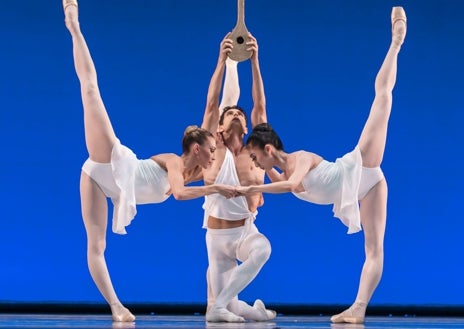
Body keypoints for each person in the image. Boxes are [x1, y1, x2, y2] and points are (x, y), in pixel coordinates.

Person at [63, 0, 237, 322]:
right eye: (211, 147)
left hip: (105, 188)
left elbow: (214, 106)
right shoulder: (174, 162)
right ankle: (73, 23)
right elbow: (181, 194)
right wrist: (217, 189)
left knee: (98, 246)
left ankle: (116, 307)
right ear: (195, 148)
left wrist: (228, 62)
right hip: (113, 164)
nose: (216, 152)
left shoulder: (198, 171)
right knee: (90, 90)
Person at [236, 7, 407, 324]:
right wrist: (251, 61)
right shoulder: (278, 170)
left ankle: (396, 41)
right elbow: (261, 118)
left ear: (269, 149)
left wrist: (251, 187)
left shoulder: (299, 159)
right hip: (368, 189)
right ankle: (358, 310)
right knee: (373, 249)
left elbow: (290, 186)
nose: (256, 164)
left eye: (256, 157)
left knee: (382, 98)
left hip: (359, 166)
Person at [200, 33, 276, 323]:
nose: (235, 113)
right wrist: (222, 60)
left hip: (244, 231)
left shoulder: (255, 151)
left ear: (247, 127)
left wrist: (255, 61)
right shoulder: (212, 148)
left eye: (239, 114)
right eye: (229, 112)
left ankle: (219, 305)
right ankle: (256, 311)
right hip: (216, 238)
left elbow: (260, 105)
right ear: (218, 129)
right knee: (230, 306)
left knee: (262, 249)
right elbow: (211, 104)